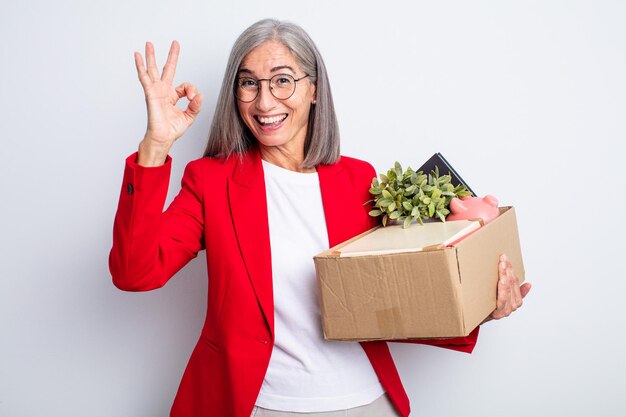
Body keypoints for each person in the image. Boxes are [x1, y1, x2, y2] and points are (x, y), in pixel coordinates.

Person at [109, 18, 531, 417]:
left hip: (366, 400)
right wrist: (155, 146)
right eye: (248, 84)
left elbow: (397, 299)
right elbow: (135, 272)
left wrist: (480, 306)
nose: (264, 100)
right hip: (255, 403)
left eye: (282, 80)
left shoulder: (359, 180)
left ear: (313, 89)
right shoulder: (211, 180)